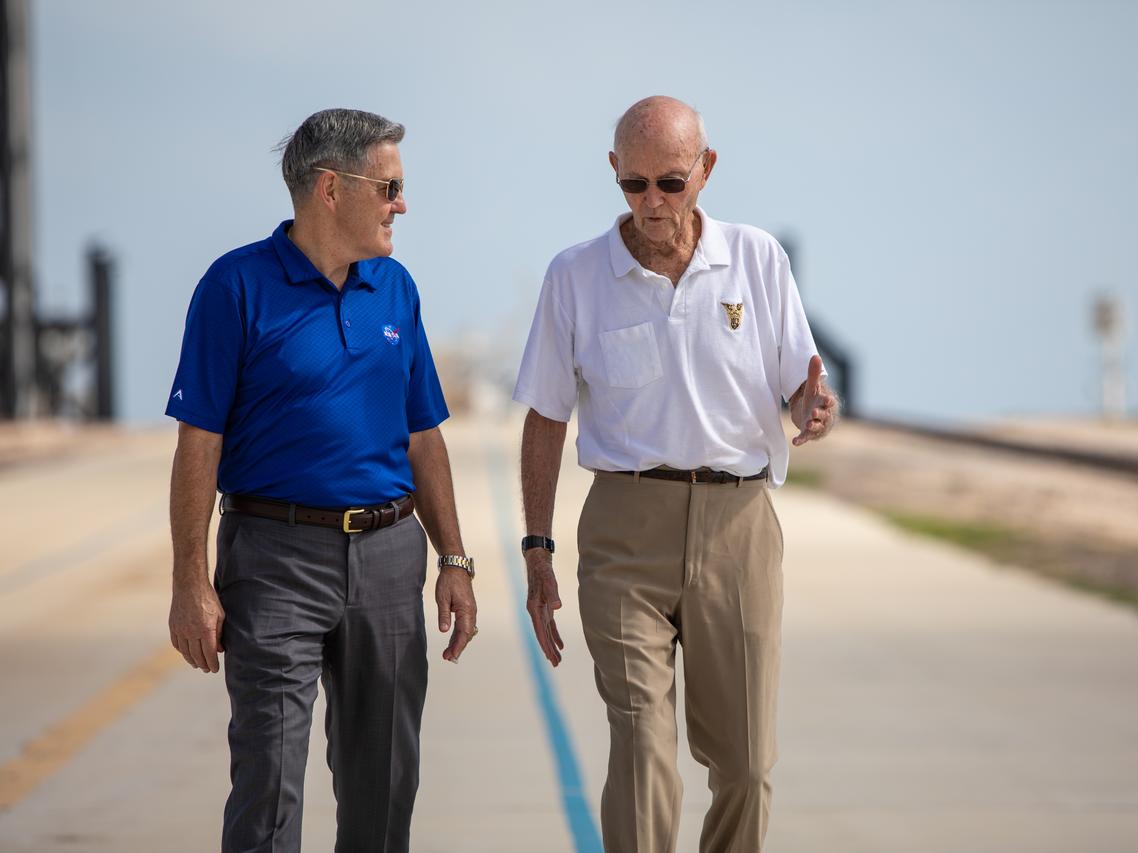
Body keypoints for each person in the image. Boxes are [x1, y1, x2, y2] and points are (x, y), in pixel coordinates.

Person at [513, 96, 839, 853]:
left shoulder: (758, 259)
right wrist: (537, 548)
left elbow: (799, 382)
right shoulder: (575, 275)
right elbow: (546, 417)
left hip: (738, 530)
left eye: (670, 182)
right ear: (614, 172)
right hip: (624, 536)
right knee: (642, 745)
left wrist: (812, 407)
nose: (652, 202)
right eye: (634, 184)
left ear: (706, 169)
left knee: (746, 765)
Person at [165, 107, 477, 853]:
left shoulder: (395, 287)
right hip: (273, 559)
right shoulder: (234, 286)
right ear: (331, 189)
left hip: (389, 556)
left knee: (385, 781)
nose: (402, 204)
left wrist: (454, 559)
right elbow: (198, 441)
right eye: (389, 187)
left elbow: (423, 434)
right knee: (269, 780)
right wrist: (190, 579)